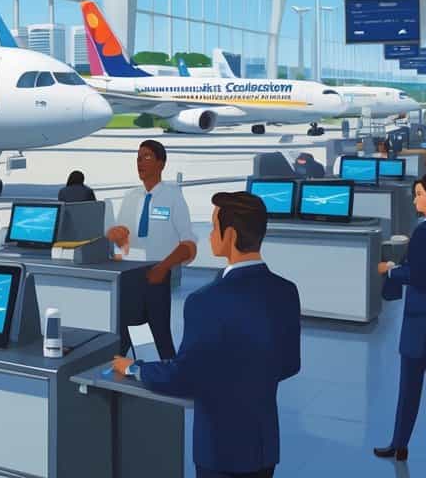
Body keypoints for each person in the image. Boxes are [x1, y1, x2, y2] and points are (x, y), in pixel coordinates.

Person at [113, 191, 301, 478]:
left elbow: (183, 376)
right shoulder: (286, 292)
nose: (211, 235)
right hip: (263, 445)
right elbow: (289, 363)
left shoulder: (205, 301)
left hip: (220, 450)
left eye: (214, 227)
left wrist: (135, 368)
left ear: (231, 235)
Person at [373, 171, 426, 462]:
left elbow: (416, 274)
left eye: (419, 194)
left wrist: (390, 269)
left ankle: (399, 445)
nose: (415, 199)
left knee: (409, 389)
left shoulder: (423, 232)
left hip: (419, 320)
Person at [106, 140, 196, 359]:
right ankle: (118, 387)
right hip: (130, 279)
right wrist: (115, 236)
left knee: (161, 338)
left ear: (161, 163)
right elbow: (122, 244)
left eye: (146, 157)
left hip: (157, 278)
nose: (140, 163)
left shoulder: (173, 197)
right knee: (126, 339)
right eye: (138, 158)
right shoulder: (130, 198)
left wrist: (164, 267)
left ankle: (171, 385)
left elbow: (188, 243)